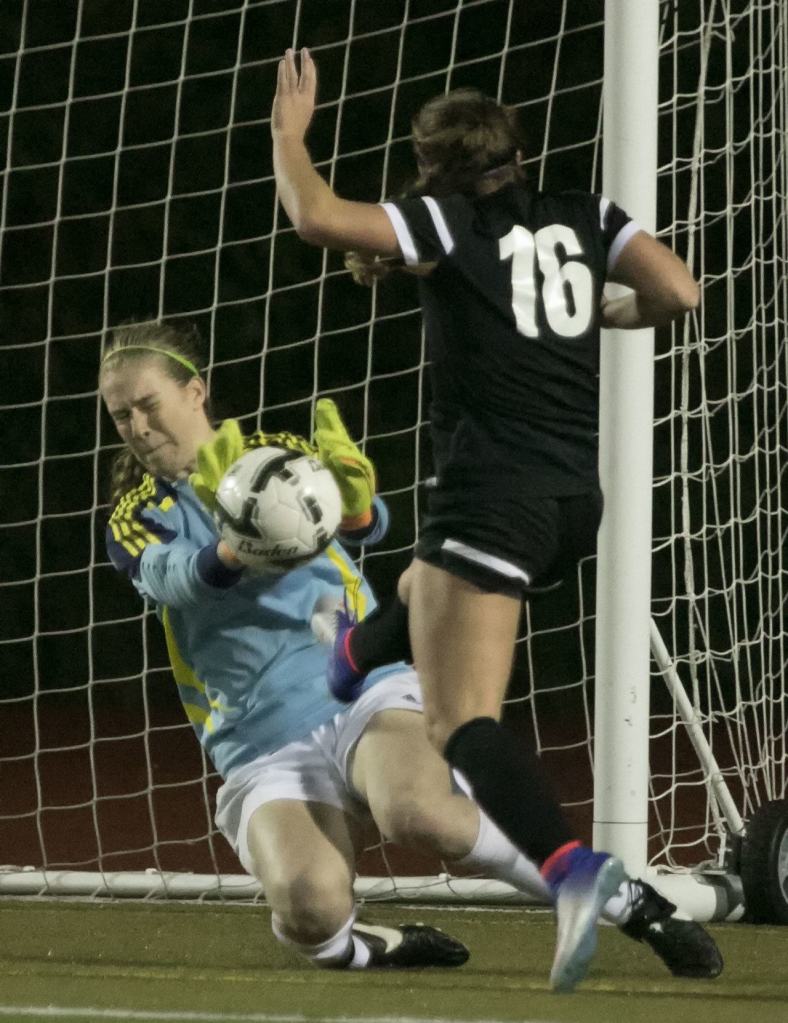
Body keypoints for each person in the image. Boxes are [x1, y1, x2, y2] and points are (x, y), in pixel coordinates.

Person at [100, 321, 721, 978]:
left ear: (194, 391)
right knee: (310, 909)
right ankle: (366, 947)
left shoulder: (275, 453)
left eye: (147, 405)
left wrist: (360, 506)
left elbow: (364, 524)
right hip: (259, 744)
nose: (138, 428)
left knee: (422, 814)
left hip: (354, 685)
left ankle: (629, 902)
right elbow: (172, 579)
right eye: (120, 416)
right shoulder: (136, 514)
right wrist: (234, 546)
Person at [270, 48, 702, 991]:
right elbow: (680, 292)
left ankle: (575, 872)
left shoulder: (446, 219)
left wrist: (290, 137)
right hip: (568, 502)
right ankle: (346, 660)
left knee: (461, 724)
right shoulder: (587, 214)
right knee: (427, 585)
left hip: (490, 499)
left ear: (433, 168)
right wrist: (595, 314)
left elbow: (313, 215)